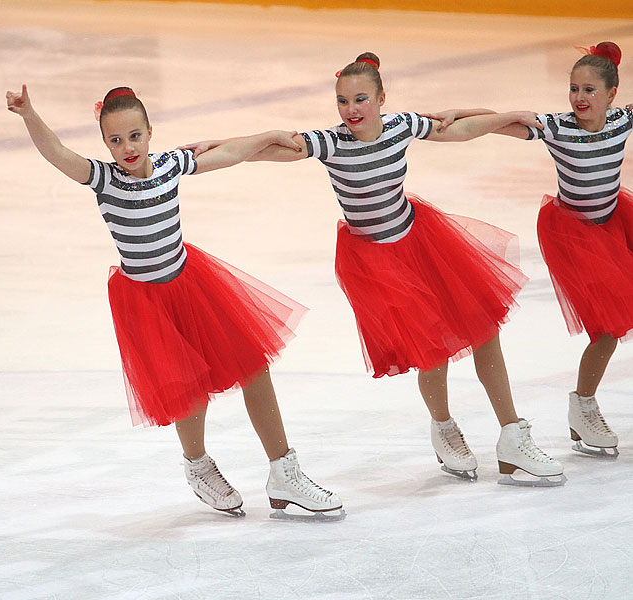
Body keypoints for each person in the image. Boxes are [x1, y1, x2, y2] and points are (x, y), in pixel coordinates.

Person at [185, 52, 565, 486]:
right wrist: (225, 142)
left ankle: (512, 436)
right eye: (343, 101)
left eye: (361, 99)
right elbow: (264, 152)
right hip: (375, 262)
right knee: (432, 347)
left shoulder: (401, 125)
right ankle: (443, 427)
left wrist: (507, 115)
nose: (352, 110)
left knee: (483, 328)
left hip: (422, 241)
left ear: (382, 98)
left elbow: (457, 131)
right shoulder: (331, 142)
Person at [6, 84, 344, 518]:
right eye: (114, 140)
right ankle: (198, 466)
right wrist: (29, 113)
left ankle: (285, 471)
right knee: (186, 387)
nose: (126, 147)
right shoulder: (104, 179)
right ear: (104, 143)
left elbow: (229, 154)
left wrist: (268, 135)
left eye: (134, 136)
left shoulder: (171, 166)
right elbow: (56, 152)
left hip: (192, 284)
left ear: (150, 132)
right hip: (146, 302)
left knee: (253, 367)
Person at [432, 42, 632, 458]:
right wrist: (458, 112)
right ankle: (584, 405)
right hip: (574, 238)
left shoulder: (622, 120)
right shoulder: (559, 127)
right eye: (574, 89)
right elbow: (504, 120)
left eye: (590, 90)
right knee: (609, 326)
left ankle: (583, 406)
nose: (580, 98)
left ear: (612, 94)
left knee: (612, 330)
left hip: (615, 227)